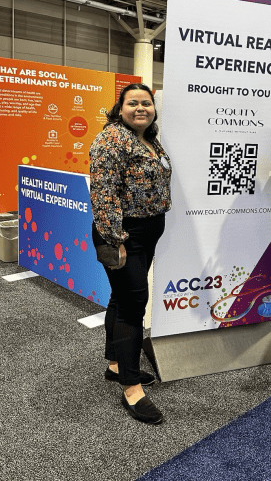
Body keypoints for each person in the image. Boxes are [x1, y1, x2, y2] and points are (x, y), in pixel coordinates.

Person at [89, 83, 171, 425]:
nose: (141, 108)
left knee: (122, 299)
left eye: (146, 103)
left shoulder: (148, 140)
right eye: (132, 102)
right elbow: (103, 195)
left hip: (148, 230)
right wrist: (116, 239)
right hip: (124, 235)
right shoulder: (111, 140)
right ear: (119, 108)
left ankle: (114, 363)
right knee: (135, 305)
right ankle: (131, 386)